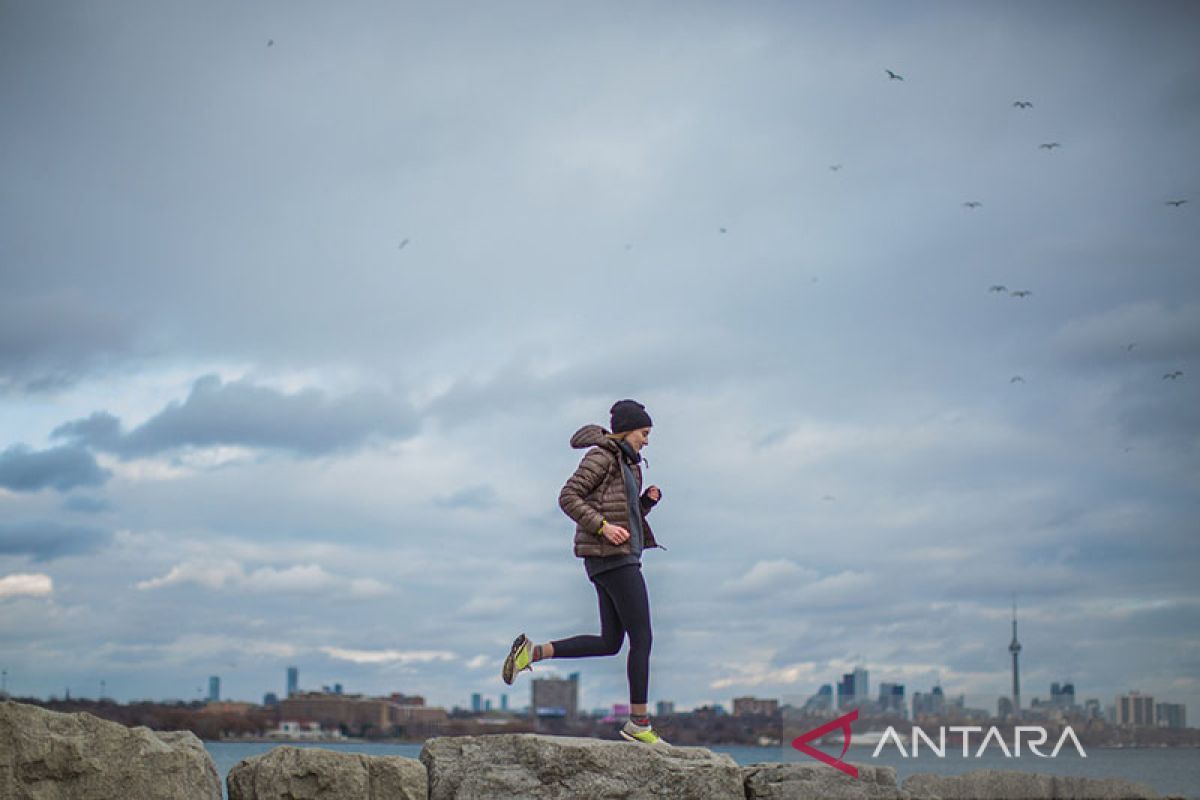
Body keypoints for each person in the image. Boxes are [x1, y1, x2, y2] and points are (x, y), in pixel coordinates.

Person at [502, 399, 668, 745]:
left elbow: (621, 513)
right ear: (627, 430)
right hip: (612, 558)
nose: (647, 441)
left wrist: (645, 505)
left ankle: (532, 652)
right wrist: (603, 527)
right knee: (643, 638)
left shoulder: (628, 464)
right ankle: (639, 723)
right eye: (644, 433)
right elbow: (568, 496)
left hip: (613, 557)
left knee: (611, 642)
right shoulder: (602, 456)